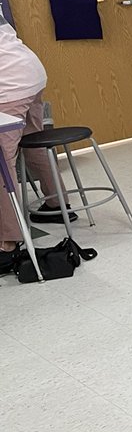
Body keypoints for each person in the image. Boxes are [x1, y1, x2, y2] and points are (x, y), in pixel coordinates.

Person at [0, 15, 62, 273]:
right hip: (29, 72)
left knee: (2, 163)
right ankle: (56, 204)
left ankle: (8, 243)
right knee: (32, 141)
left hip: (9, 83)